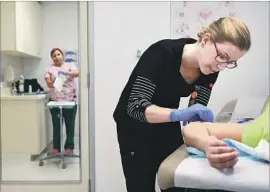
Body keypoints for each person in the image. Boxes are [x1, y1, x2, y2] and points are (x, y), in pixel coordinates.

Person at [113, 16, 251, 192]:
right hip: (134, 126)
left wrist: (207, 140)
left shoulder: (209, 68)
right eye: (222, 56)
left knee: (176, 182)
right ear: (206, 40)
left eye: (230, 62)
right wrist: (177, 114)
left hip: (166, 123)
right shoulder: (162, 53)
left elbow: (194, 116)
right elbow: (135, 106)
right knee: (140, 184)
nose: (222, 66)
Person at [183, 97, 269, 169]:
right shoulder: (261, 133)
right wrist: (208, 142)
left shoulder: (260, 134)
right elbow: (194, 128)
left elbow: (193, 127)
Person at [44, 48, 79, 154]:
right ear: (52, 58)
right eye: (54, 55)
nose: (57, 57)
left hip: (69, 101)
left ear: (62, 55)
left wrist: (65, 73)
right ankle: (56, 148)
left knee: (70, 125)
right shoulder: (49, 69)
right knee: (56, 125)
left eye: (58, 54)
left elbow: (77, 73)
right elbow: (49, 84)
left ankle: (69, 147)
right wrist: (55, 79)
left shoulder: (70, 66)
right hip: (55, 102)